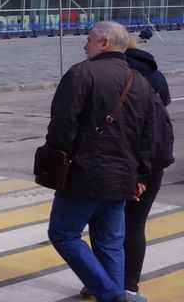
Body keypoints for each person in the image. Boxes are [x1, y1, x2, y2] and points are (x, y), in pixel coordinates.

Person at [45, 22, 154, 302]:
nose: (85, 44)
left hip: (84, 174)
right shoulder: (139, 81)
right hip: (123, 177)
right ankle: (113, 295)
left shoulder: (81, 73)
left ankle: (112, 294)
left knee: (63, 234)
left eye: (89, 39)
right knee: (110, 242)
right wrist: (141, 176)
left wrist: (56, 159)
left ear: (105, 43)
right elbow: (149, 134)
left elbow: (62, 125)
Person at [115, 36, 173, 298]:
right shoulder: (156, 75)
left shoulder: (118, 76)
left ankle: (104, 279)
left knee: (107, 225)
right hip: (154, 162)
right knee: (136, 225)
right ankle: (129, 285)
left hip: (122, 161)